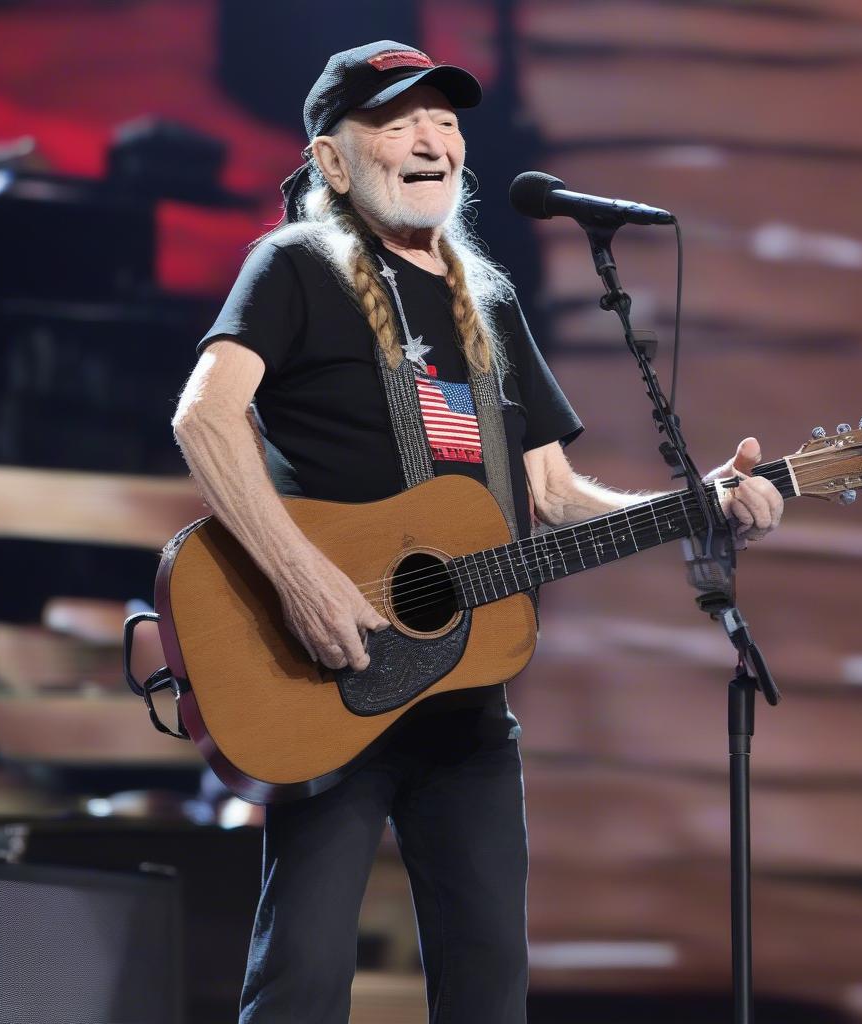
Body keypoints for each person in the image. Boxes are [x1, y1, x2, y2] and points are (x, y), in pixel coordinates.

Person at [171, 40, 784, 1024]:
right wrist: (302, 579)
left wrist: (697, 501)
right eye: (397, 120)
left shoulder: (487, 297)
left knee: (491, 982)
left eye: (446, 120)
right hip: (329, 674)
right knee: (302, 978)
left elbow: (551, 491)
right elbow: (204, 416)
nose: (431, 138)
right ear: (332, 160)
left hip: (463, 705)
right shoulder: (294, 264)